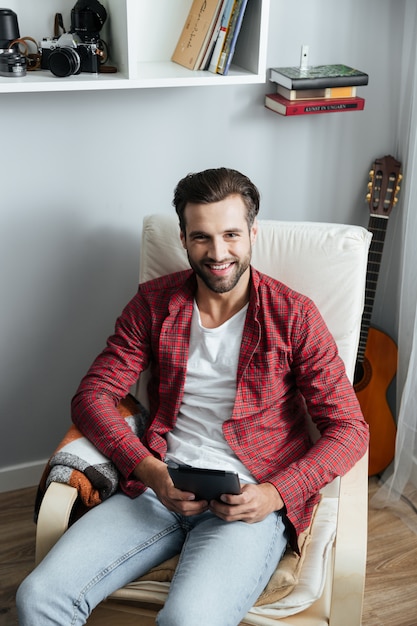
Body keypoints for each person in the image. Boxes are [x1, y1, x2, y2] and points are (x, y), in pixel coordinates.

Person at [17, 167, 369, 626]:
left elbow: (350, 429)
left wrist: (275, 494)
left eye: (231, 235)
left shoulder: (295, 316)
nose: (218, 253)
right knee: (38, 598)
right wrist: (151, 471)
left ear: (252, 233)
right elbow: (92, 396)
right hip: (159, 485)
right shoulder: (152, 304)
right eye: (202, 237)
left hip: (249, 500)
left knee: (188, 621)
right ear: (183, 238)